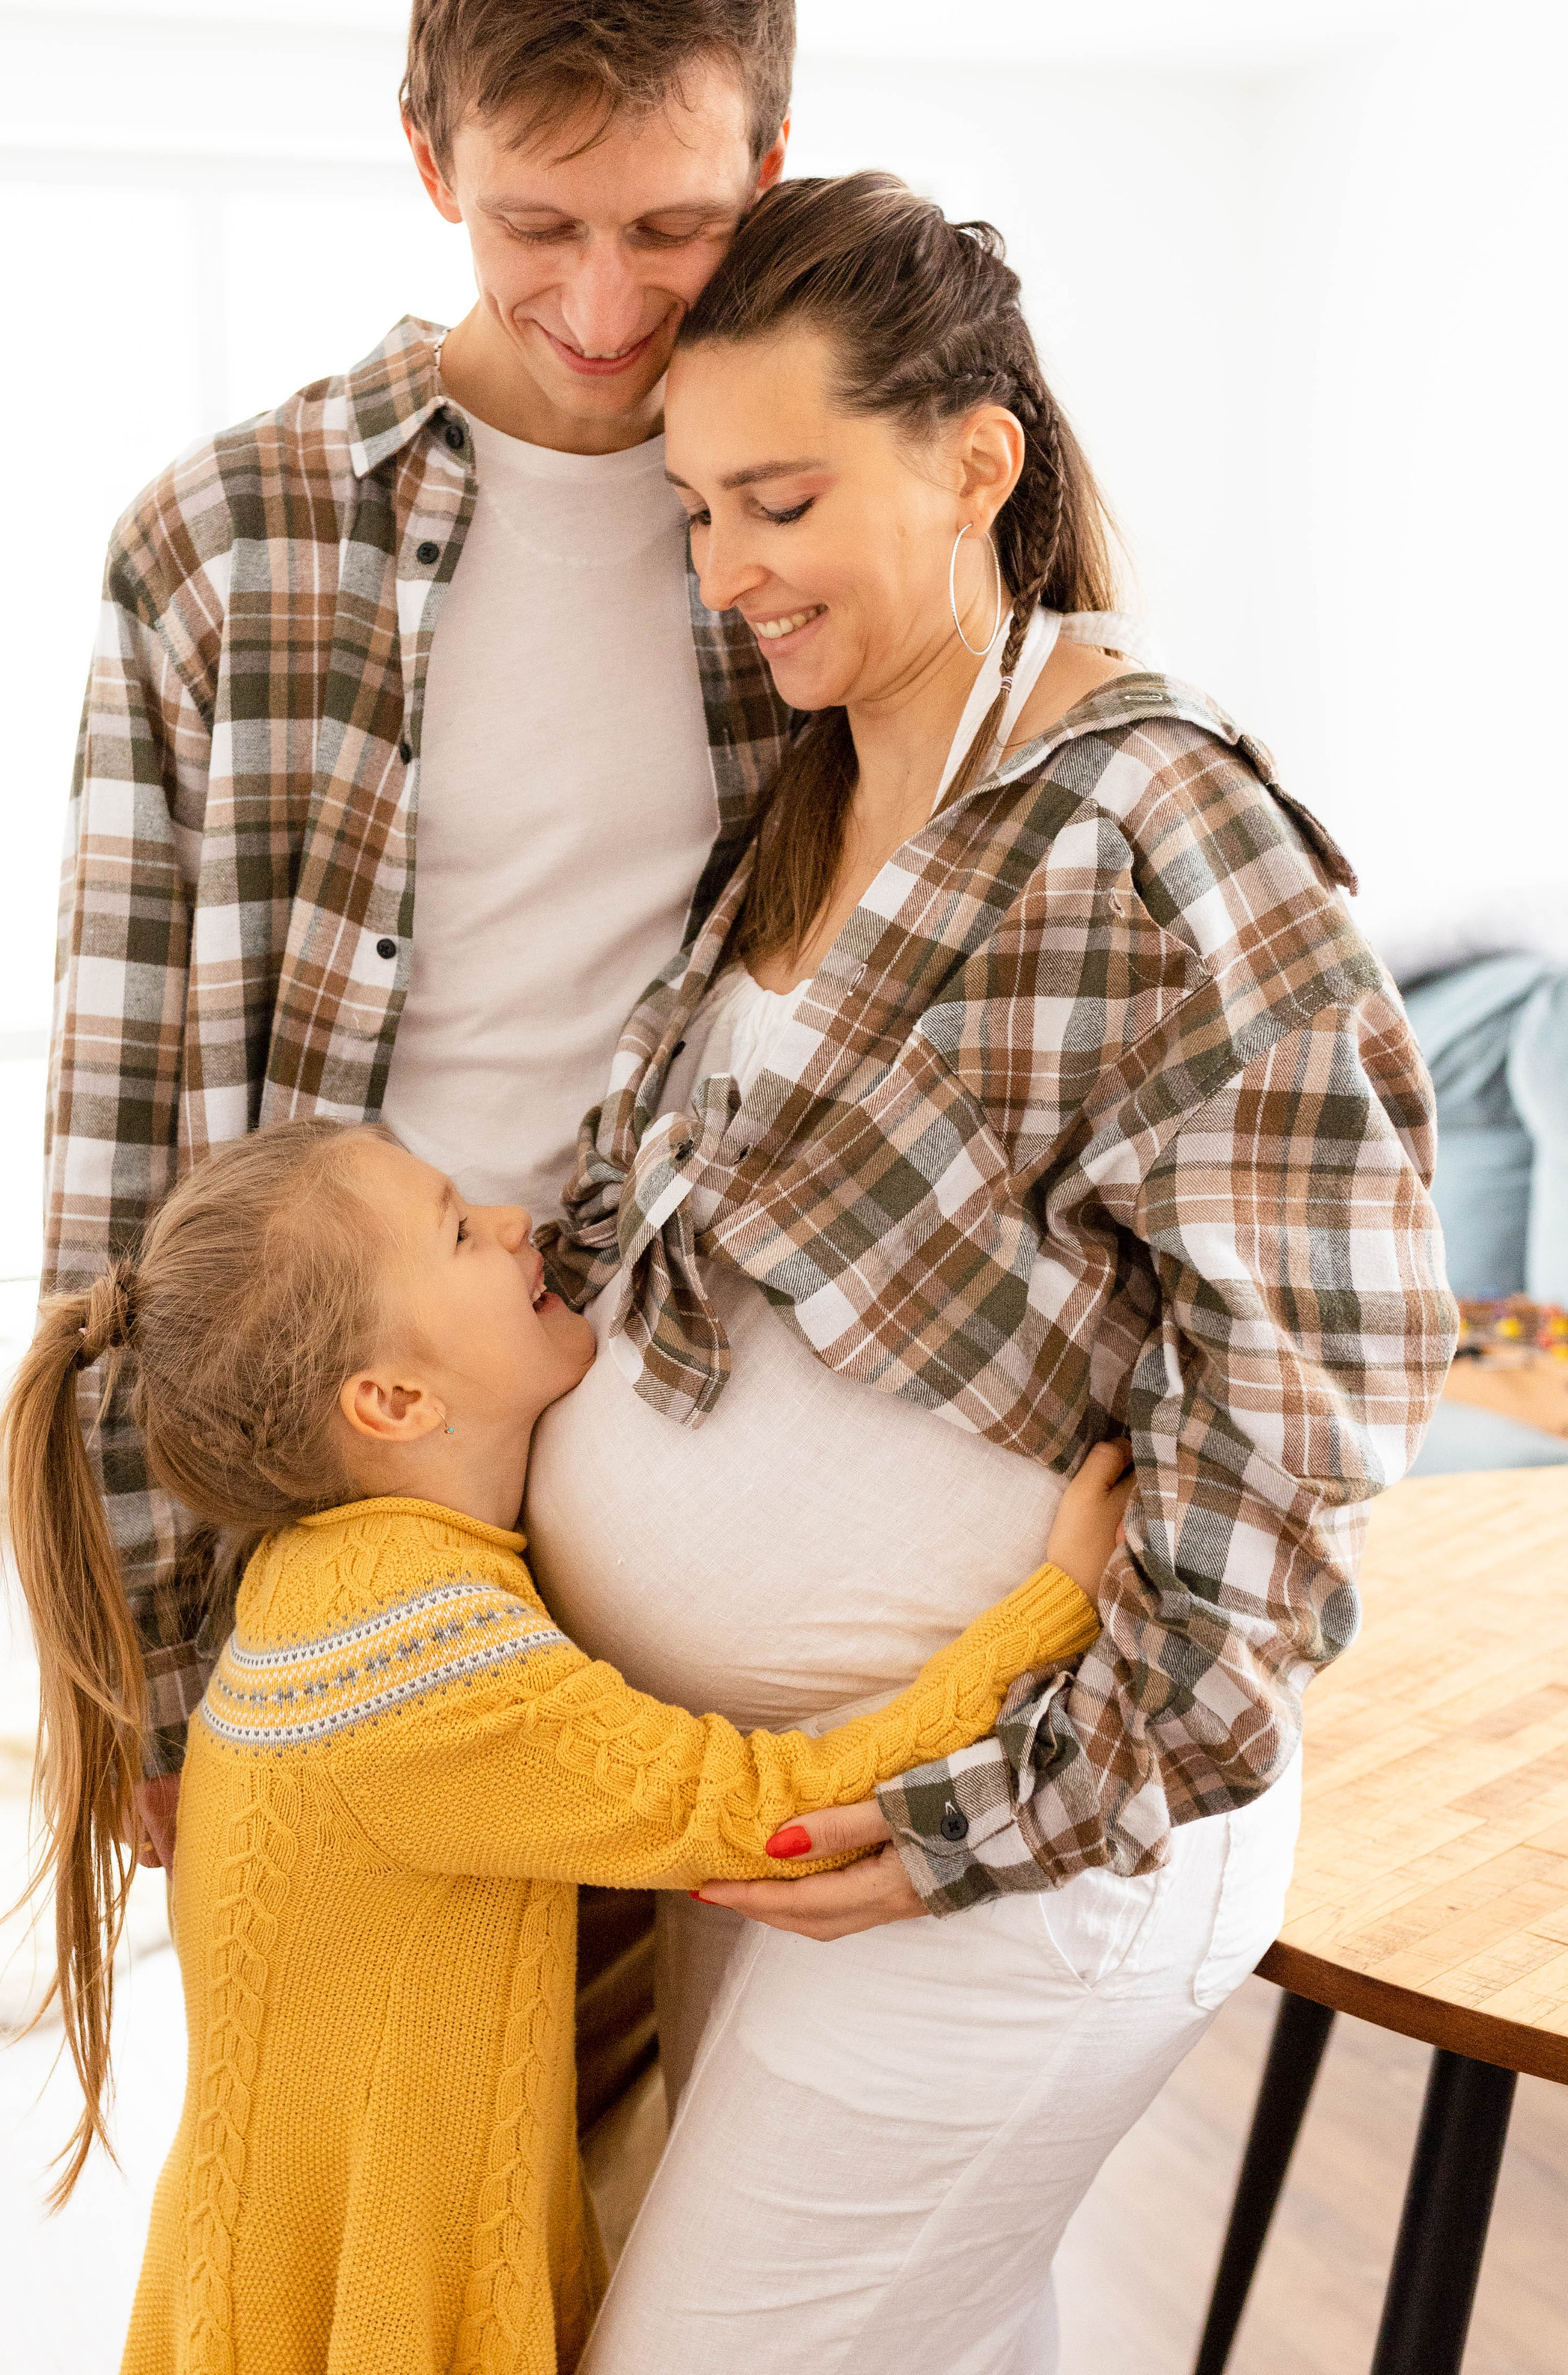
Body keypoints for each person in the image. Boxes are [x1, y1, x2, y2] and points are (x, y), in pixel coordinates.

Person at [525, 173, 1457, 2370]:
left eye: (779, 501)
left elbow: (1316, 1386)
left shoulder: (1151, 819)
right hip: (784, 1806)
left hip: (1017, 1851)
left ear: (974, 461)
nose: (726, 572)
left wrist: (1004, 1805)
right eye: (696, 512)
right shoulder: (810, 796)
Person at [40, 0, 795, 1957]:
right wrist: (137, 1652)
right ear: (427, 155)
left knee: (675, 2099)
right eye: (534, 223)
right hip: (352, 1493)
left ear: (770, 163)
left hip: (696, 1443)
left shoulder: (807, 523)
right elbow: (120, 1117)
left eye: (673, 227)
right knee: (386, 2095)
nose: (602, 306)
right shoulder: (225, 541)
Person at [1, 1119, 1133, 2373]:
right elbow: (772, 1811)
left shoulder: (322, 1579)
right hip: (357, 2320)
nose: (511, 1222)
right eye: (456, 1231)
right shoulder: (422, 1656)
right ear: (394, 1401)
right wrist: (1052, 1607)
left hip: (271, 2271)